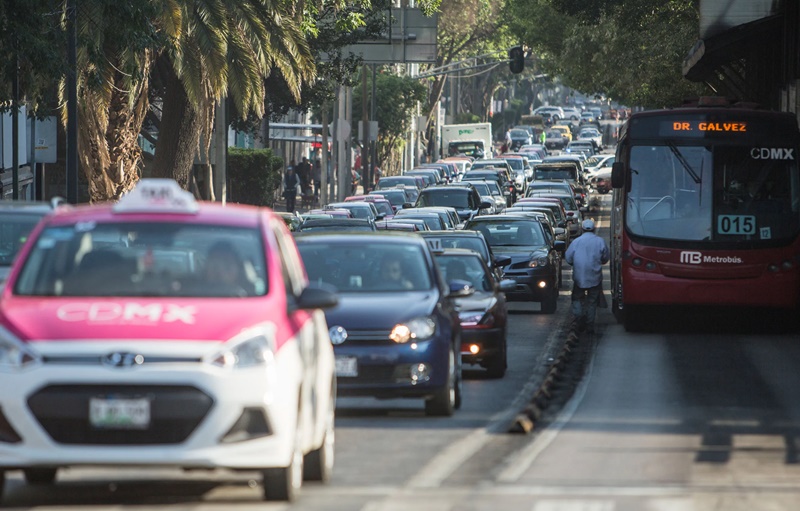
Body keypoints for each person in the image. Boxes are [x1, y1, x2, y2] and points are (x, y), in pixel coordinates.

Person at [564, 218, 609, 334]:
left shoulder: (576, 242)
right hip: (595, 277)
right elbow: (605, 258)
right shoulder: (600, 241)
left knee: (576, 298)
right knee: (592, 301)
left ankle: (579, 317)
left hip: (579, 277)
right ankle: (590, 325)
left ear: (582, 229)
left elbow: (568, 258)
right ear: (594, 229)